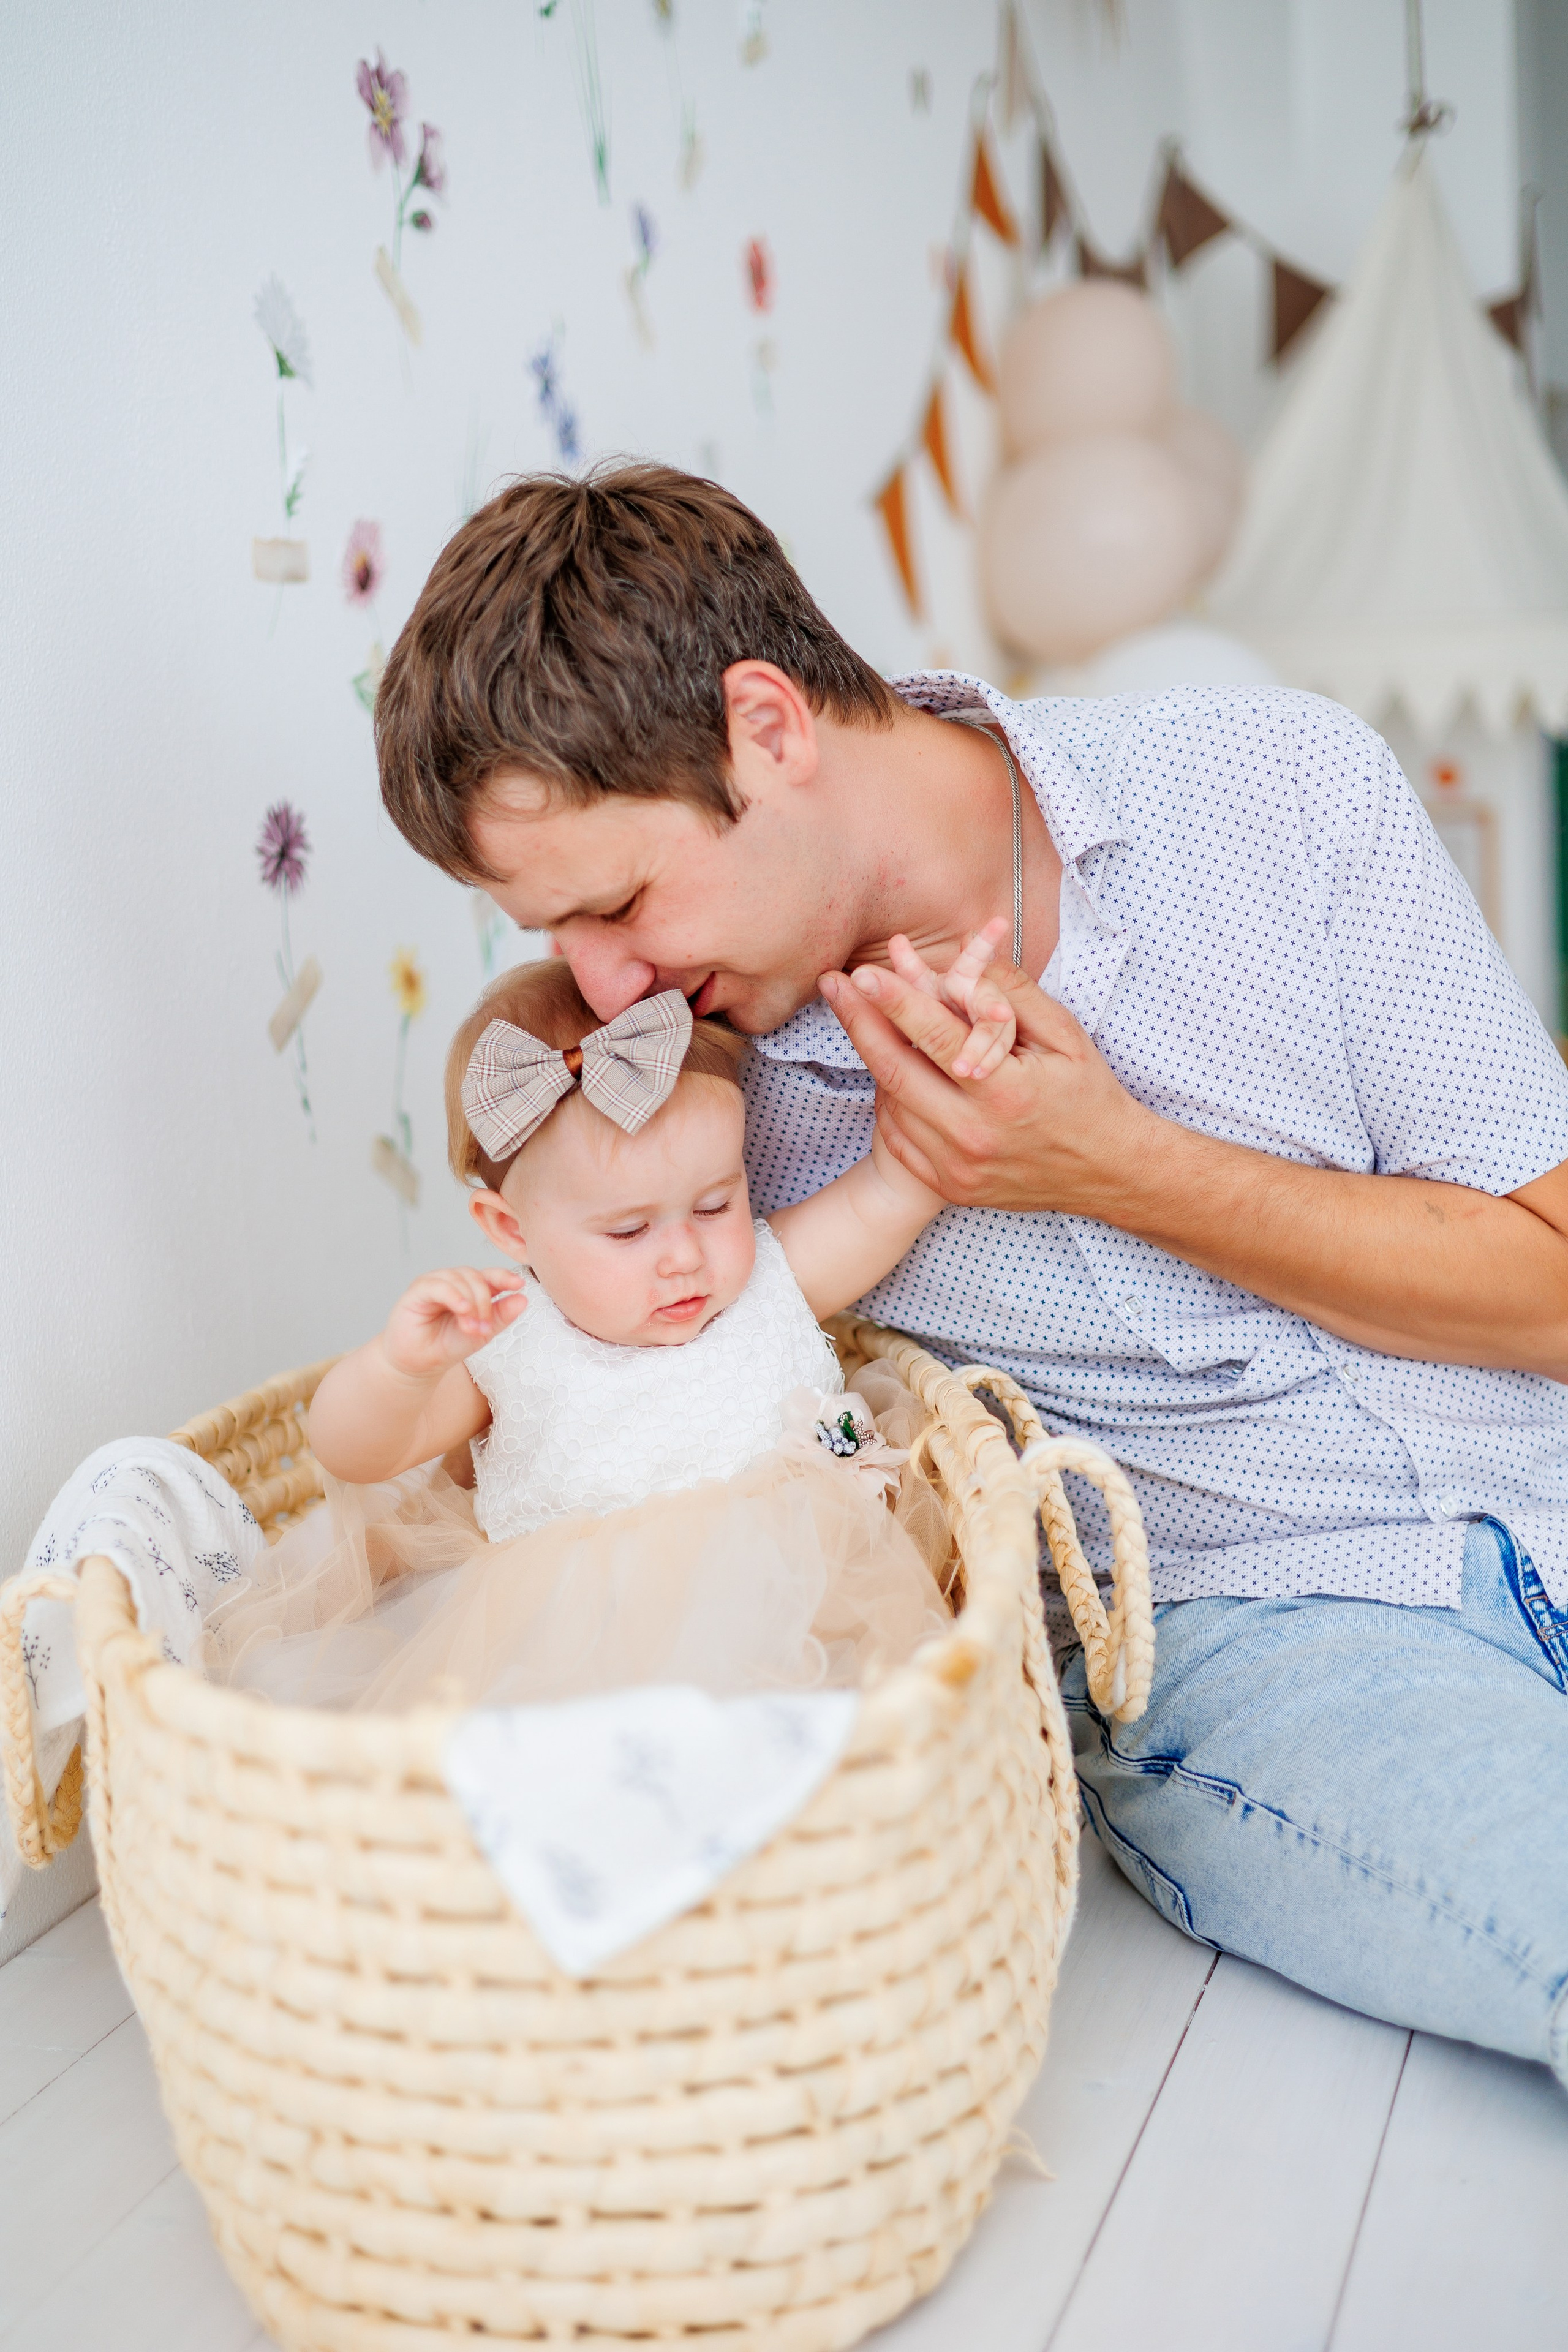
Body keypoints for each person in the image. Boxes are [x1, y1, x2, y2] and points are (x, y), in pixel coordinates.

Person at [372, 460, 1568, 2089]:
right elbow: (560, 1425)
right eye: (555, 932)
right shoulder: (685, 1107)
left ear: (767, 729)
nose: (607, 980)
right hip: (1258, 1637)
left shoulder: (1276, 788)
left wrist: (1114, 1161)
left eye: (622, 901)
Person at [206, 951, 1012, 1708]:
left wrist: (946, 1081)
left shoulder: (768, 1281)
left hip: (805, 1619)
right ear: (512, 1230)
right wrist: (399, 1370)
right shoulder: (509, 1343)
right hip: (576, 1663)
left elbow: (889, 1191)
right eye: (629, 1231)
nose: (684, 1256)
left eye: (715, 1204)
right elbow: (351, 1452)